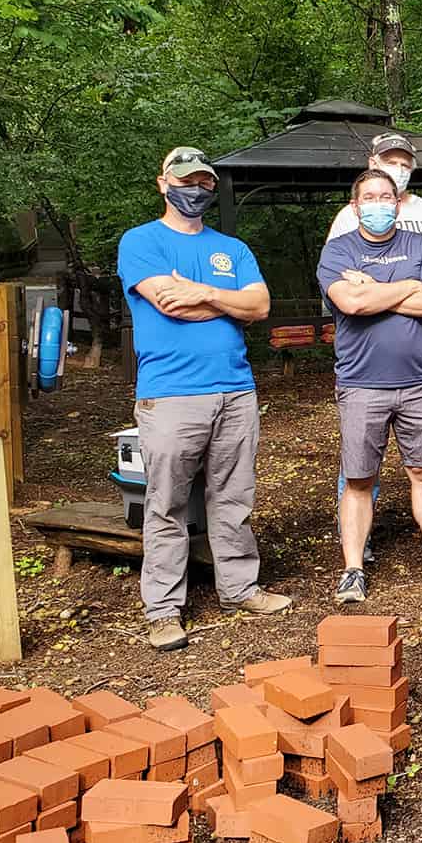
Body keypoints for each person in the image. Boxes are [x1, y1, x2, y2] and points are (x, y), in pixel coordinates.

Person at [117, 147, 292, 652]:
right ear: (163, 183)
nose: (195, 189)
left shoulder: (232, 249)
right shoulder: (141, 241)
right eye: (185, 179)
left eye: (204, 182)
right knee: (167, 504)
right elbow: (169, 305)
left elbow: (258, 305)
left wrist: (205, 294)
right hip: (170, 394)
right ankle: (164, 610)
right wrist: (224, 302)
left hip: (236, 390)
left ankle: (239, 589)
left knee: (234, 497)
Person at [318, 168, 422, 603]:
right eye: (370, 197)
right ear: (355, 205)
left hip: (420, 383)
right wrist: (409, 286)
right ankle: (352, 569)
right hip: (361, 383)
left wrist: (380, 290)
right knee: (359, 478)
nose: (379, 204)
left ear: (398, 202)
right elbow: (352, 302)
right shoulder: (338, 251)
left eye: (387, 196)